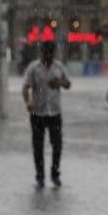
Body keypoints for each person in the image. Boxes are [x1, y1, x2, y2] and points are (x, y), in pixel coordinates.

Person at [21, 40, 71, 188]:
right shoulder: (33, 68)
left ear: (53, 53)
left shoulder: (59, 67)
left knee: (57, 145)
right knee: (38, 147)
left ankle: (55, 174)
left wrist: (60, 82)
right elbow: (25, 87)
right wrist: (28, 102)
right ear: (41, 52)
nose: (48, 56)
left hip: (55, 113)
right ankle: (40, 177)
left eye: (51, 53)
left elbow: (68, 84)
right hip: (38, 113)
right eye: (45, 53)